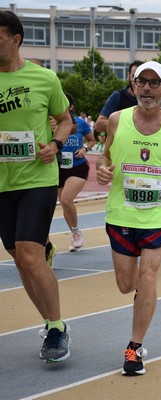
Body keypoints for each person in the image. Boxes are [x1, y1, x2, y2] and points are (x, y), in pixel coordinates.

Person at [96, 60, 161, 376]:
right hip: (122, 213)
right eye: (143, 82)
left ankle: (134, 347)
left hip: (159, 215)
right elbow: (106, 154)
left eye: (155, 83)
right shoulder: (116, 120)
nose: (148, 89)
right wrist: (102, 168)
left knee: (148, 276)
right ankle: (142, 295)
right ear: (134, 85)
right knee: (127, 285)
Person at [0, 10, 73, 363]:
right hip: (2, 183)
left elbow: (65, 121)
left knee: (29, 254)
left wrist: (55, 145)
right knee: (20, 260)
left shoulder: (44, 79)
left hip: (37, 179)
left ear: (15, 39)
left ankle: (57, 328)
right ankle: (48, 320)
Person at [59, 94, 96, 251]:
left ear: (71, 106)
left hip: (78, 166)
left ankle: (76, 233)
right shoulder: (53, 124)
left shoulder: (80, 123)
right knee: (63, 202)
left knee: (67, 199)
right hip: (59, 166)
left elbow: (92, 140)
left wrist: (84, 149)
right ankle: (75, 231)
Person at [94, 60, 143, 137]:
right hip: (119, 146)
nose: (137, 81)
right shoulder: (118, 96)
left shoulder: (150, 99)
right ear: (128, 76)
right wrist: (128, 125)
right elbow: (99, 125)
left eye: (141, 78)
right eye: (134, 77)